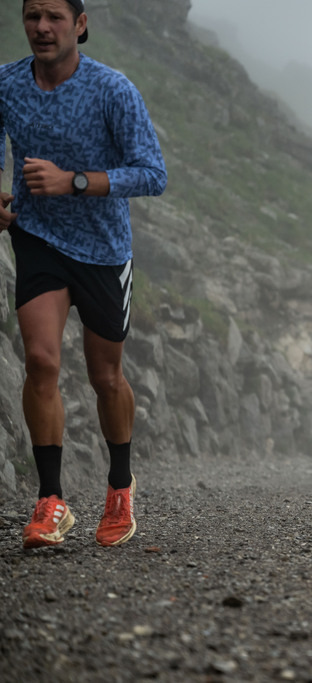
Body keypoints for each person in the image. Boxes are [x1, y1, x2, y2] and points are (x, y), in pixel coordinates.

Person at [0, 0, 167, 548]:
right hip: (38, 238)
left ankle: (120, 486)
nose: (42, 28)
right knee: (42, 361)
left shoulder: (112, 89)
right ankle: (51, 502)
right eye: (32, 17)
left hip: (102, 248)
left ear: (80, 24)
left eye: (53, 16)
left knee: (105, 378)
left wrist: (74, 181)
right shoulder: (6, 83)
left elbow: (152, 174)